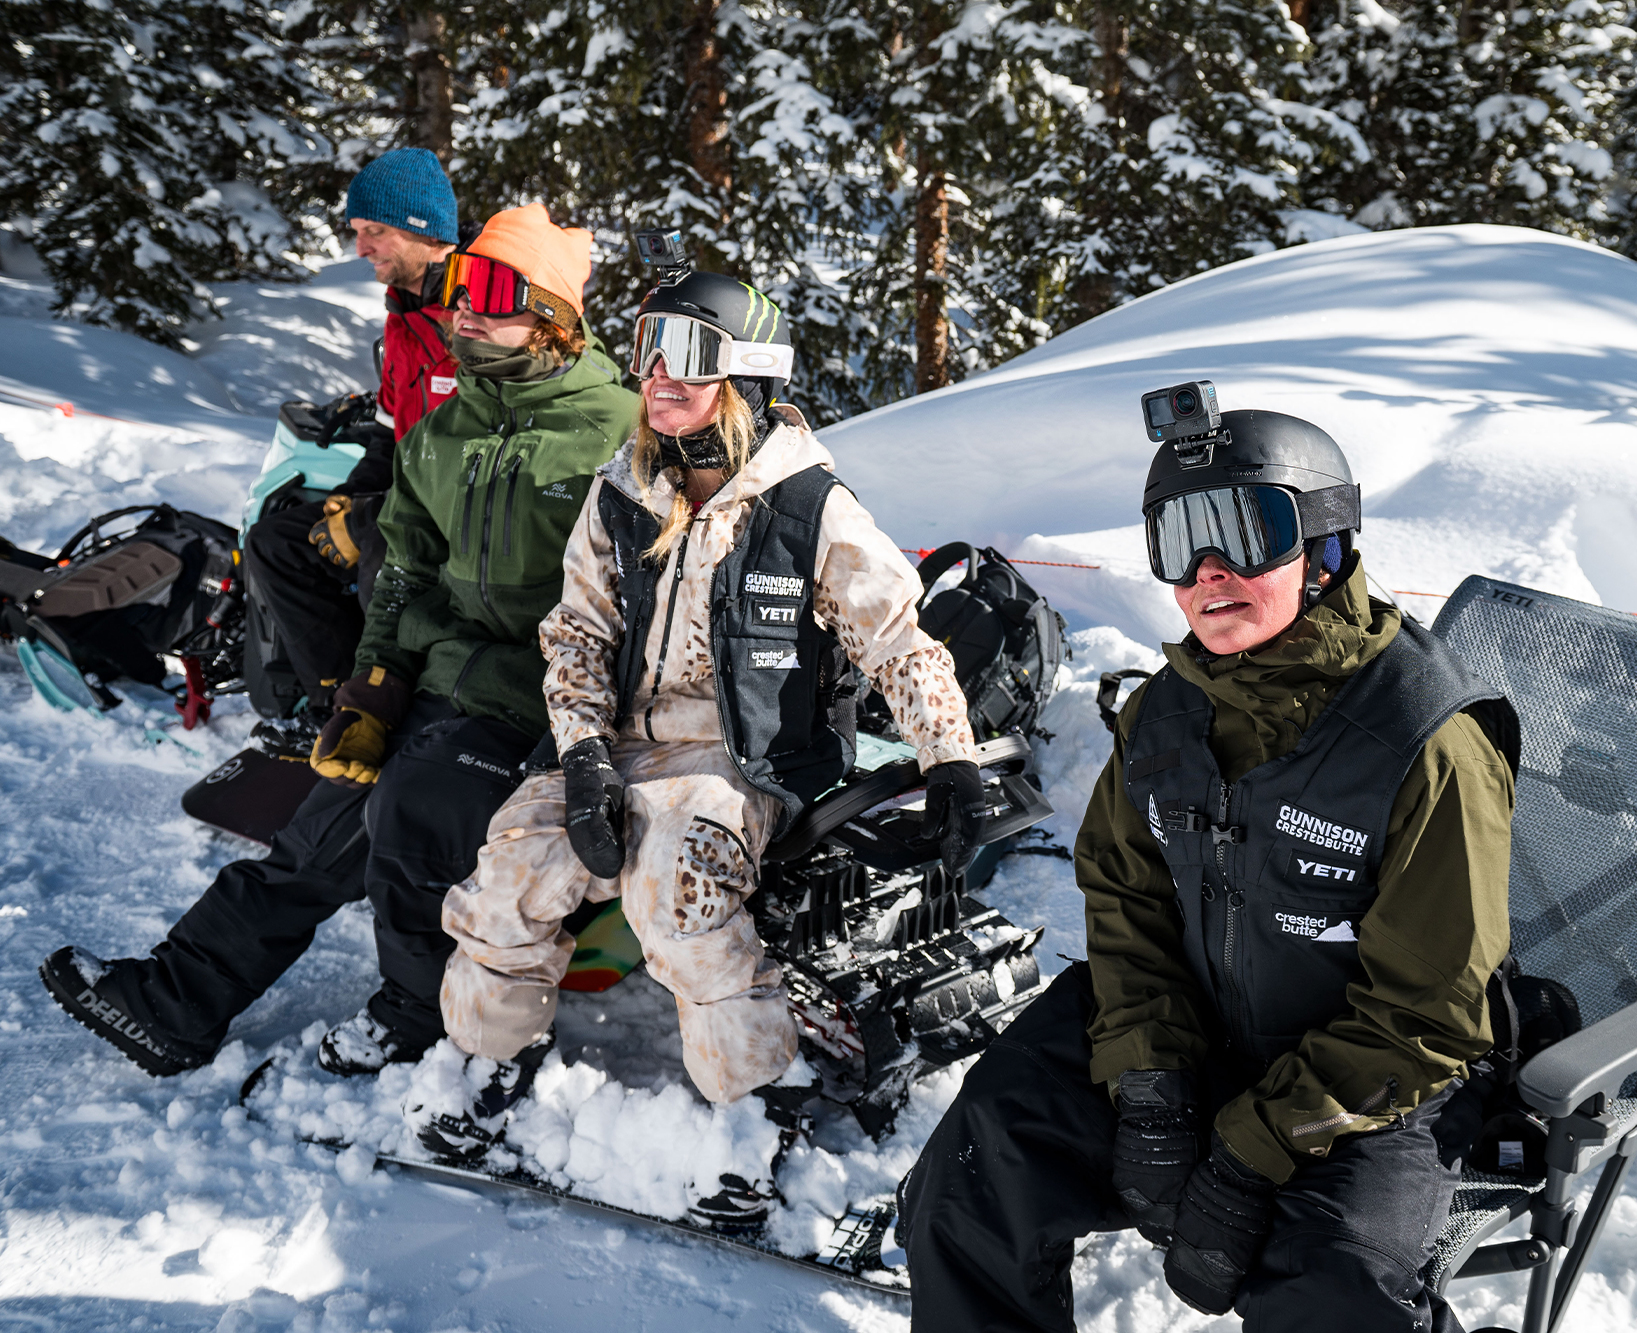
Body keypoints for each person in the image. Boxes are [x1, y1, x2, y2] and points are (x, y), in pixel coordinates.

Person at [898, 407, 1519, 1331]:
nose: (1207, 573)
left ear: (1326, 546)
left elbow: (1424, 1016)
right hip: (1200, 1030)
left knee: (1335, 1286)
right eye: (1180, 540)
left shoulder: (1425, 743)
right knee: (977, 1165)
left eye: (1246, 532)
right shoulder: (1166, 715)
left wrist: (1246, 1149)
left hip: (1373, 1087)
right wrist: (1150, 1086)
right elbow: (1123, 901)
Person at [400, 259, 985, 1228]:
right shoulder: (624, 490)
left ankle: (751, 1109)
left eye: (687, 356)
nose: (657, 375)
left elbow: (896, 638)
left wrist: (949, 757)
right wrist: (582, 753)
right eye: (646, 350)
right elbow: (575, 633)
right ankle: (483, 1057)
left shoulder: (804, 506)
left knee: (679, 885)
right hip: (618, 749)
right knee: (513, 862)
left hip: (740, 762)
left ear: (747, 375)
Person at [40, 203, 643, 1080]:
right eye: (459, 289)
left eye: (491, 293)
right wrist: (373, 687)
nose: (464, 311)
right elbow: (403, 570)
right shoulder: (448, 429)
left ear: (551, 316)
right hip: (445, 678)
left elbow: (657, 594)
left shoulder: (619, 433)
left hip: (546, 690)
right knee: (321, 824)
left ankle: (420, 1017)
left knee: (414, 815)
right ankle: (177, 1001)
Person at [243, 147, 464, 742]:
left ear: (423, 231)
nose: (361, 247)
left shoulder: (474, 318)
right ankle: (333, 705)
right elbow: (389, 438)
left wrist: (369, 517)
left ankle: (388, 721)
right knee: (276, 543)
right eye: (357, 232)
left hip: (460, 515)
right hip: (403, 498)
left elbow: (484, 464)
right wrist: (348, 502)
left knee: (377, 563)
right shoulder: (401, 320)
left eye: (375, 231)